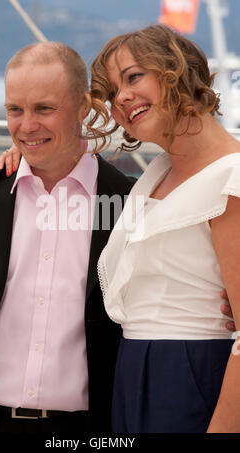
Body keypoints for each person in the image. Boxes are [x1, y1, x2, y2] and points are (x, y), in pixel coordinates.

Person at [0, 42, 135, 433]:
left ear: (82, 107)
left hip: (87, 430)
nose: (27, 125)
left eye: (44, 108)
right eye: (16, 109)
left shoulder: (128, 203)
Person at [89, 24, 240, 433]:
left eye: (134, 77)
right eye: (111, 92)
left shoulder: (232, 180)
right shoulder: (157, 173)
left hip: (192, 379)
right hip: (134, 374)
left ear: (178, 70)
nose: (120, 98)